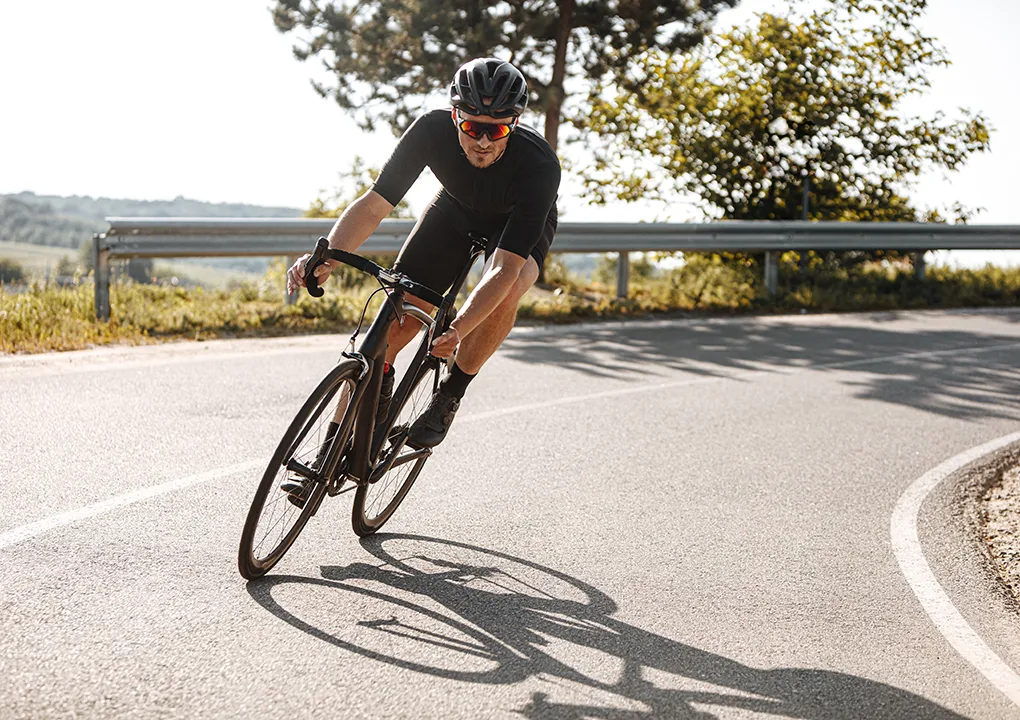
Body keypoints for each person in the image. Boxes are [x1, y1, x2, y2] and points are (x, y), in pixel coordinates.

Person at [286, 56, 560, 453]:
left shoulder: (539, 165)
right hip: (455, 209)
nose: (482, 141)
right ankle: (335, 443)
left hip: (515, 222)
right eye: (471, 127)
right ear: (454, 116)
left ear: (514, 124)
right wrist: (329, 255)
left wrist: (459, 329)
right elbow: (374, 204)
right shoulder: (430, 130)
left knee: (513, 285)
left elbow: (502, 268)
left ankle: (451, 391)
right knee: (397, 310)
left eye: (496, 130)